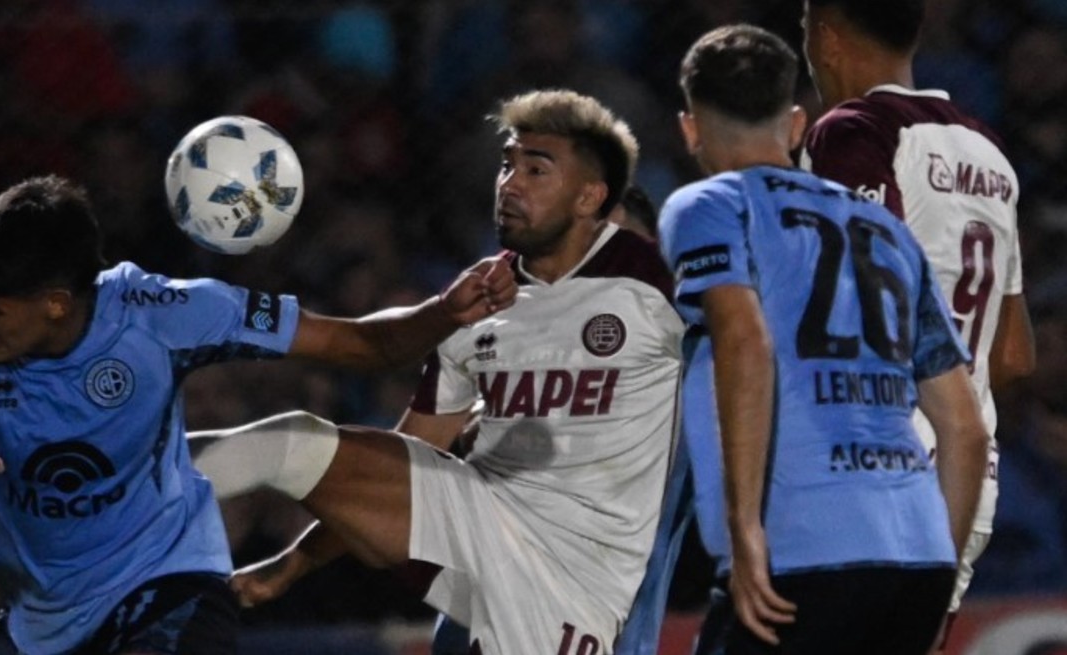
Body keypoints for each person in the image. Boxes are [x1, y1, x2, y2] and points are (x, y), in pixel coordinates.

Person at [0, 174, 515, 655]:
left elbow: (359, 344)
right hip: (44, 623)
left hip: (170, 581)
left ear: (57, 304)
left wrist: (443, 311)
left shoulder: (164, 315)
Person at [192, 89, 685, 655]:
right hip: (481, 540)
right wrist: (293, 564)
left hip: (568, 586)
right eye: (507, 165)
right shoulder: (477, 300)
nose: (510, 185)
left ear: (589, 197)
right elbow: (405, 459)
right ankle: (119, 478)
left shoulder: (652, 282)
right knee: (293, 443)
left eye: (536, 170)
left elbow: (745, 339)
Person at [659, 25, 988, 654]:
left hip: (801, 546)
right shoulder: (887, 232)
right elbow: (964, 428)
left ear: (690, 129)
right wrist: (936, 576)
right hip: (918, 553)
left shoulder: (709, 206)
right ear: (795, 125)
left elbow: (744, 342)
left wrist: (745, 527)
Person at [798, 1, 1037, 644]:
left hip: (871, 461)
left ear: (824, 37)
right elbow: (1013, 354)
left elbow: (857, 298)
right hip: (968, 482)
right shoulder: (990, 152)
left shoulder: (853, 133)